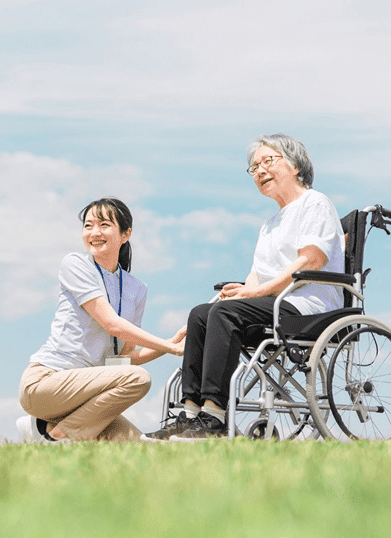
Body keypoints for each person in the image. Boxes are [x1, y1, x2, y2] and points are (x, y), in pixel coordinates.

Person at [143, 134, 345, 441]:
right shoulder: (270, 223)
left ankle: (214, 416)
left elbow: (311, 260)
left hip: (309, 305)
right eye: (254, 167)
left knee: (224, 314)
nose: (260, 171)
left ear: (294, 165)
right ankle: (190, 415)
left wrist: (256, 293)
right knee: (202, 313)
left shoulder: (314, 203)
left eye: (268, 161)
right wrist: (236, 294)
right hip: (276, 304)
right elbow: (256, 277)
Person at [17, 197, 186, 443]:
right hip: (45, 384)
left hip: (88, 395)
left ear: (126, 234)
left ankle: (44, 429)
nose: (94, 232)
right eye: (88, 226)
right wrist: (168, 346)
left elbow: (124, 361)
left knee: (140, 446)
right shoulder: (75, 264)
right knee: (139, 380)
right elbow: (111, 324)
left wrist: (172, 344)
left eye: (104, 224)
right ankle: (57, 434)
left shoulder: (137, 289)